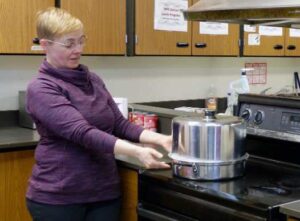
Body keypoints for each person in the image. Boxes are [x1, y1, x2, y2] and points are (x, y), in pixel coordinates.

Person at [25, 7, 172, 221]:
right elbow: (82, 132)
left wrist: (161, 139)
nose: (78, 49)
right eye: (69, 44)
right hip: (59, 197)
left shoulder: (92, 79)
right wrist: (136, 152)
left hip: (104, 192)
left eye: (80, 40)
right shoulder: (41, 87)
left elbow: (119, 125)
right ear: (45, 45)